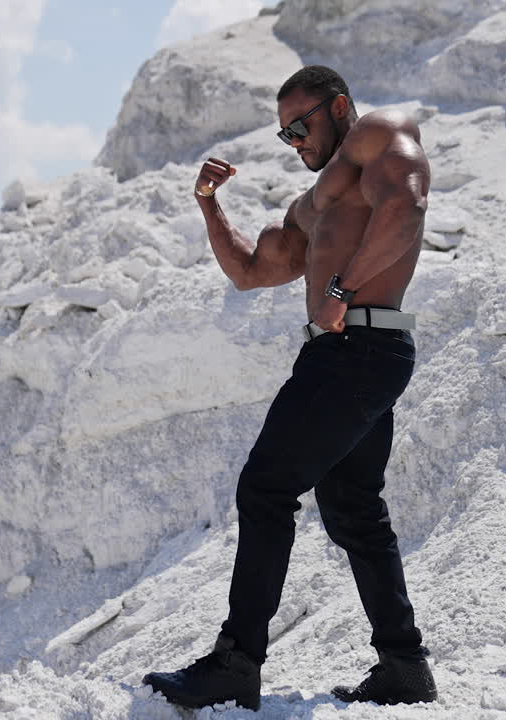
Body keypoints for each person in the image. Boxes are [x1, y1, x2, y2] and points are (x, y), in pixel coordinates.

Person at [142, 65, 437, 711]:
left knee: (266, 488)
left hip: (359, 348)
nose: (295, 142)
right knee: (354, 509)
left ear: (338, 106)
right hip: (354, 353)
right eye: (284, 135)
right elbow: (251, 270)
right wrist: (208, 206)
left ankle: (236, 662)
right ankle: (404, 667)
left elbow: (408, 207)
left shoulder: (383, 133)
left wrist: (341, 288)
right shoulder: (315, 203)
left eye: (300, 126)